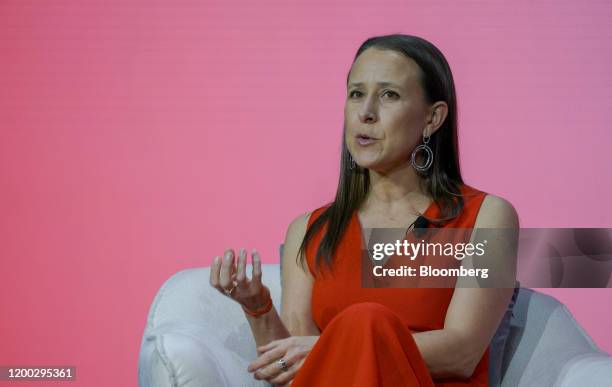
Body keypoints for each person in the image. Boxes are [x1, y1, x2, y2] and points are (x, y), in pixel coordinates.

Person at [209, 33, 519, 387]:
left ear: (432, 118)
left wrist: (336, 345)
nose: (366, 112)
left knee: (367, 320)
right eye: (356, 93)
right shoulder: (308, 230)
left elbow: (463, 351)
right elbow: (297, 374)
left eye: (389, 95)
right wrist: (258, 307)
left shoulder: (487, 216)